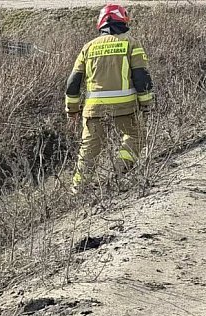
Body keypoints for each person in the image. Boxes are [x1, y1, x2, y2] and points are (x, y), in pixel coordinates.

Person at [65, 4, 154, 193]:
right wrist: (146, 104)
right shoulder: (131, 44)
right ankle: (118, 173)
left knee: (89, 150)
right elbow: (142, 77)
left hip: (94, 109)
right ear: (124, 21)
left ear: (100, 24)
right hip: (125, 107)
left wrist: (72, 110)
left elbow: (73, 83)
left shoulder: (88, 47)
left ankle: (78, 189)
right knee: (137, 136)